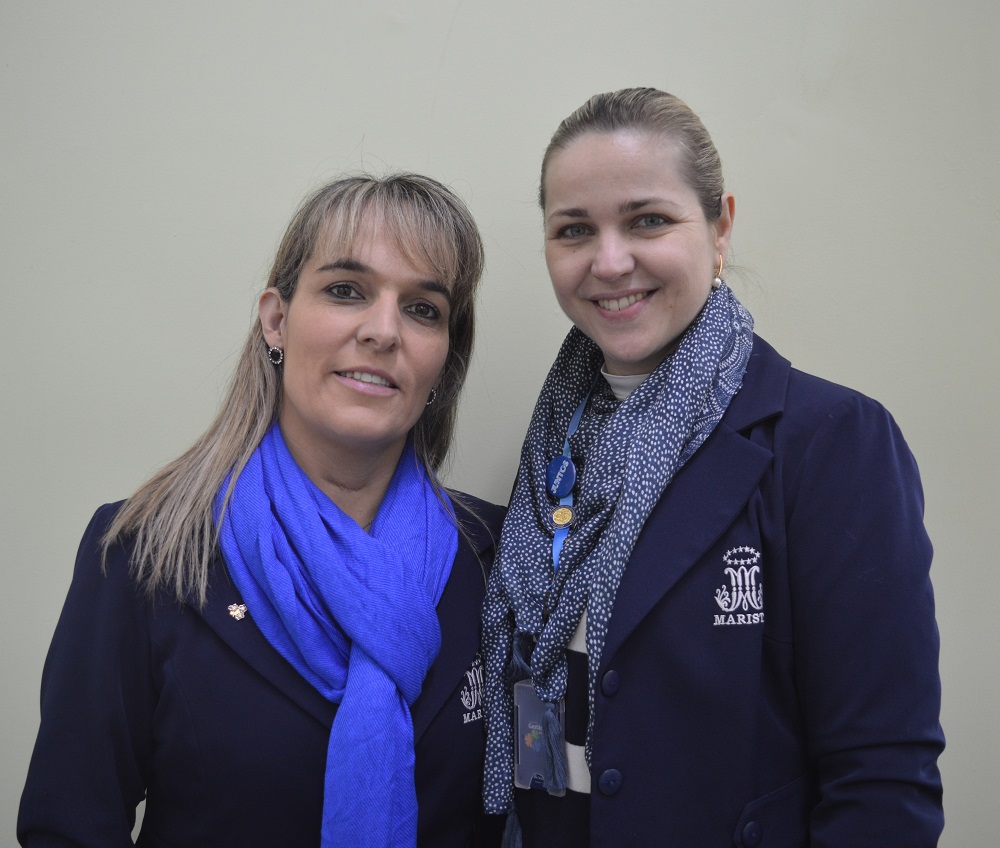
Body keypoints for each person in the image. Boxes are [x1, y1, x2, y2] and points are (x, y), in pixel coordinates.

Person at [482, 88, 944, 847]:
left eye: (648, 220)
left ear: (720, 226)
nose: (609, 261)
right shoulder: (556, 449)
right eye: (574, 230)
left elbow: (883, 783)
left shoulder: (830, 442)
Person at [19, 174, 505, 848]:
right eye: (346, 290)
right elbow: (69, 829)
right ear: (276, 319)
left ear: (444, 359)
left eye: (423, 309)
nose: (383, 331)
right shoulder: (145, 553)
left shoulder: (498, 556)